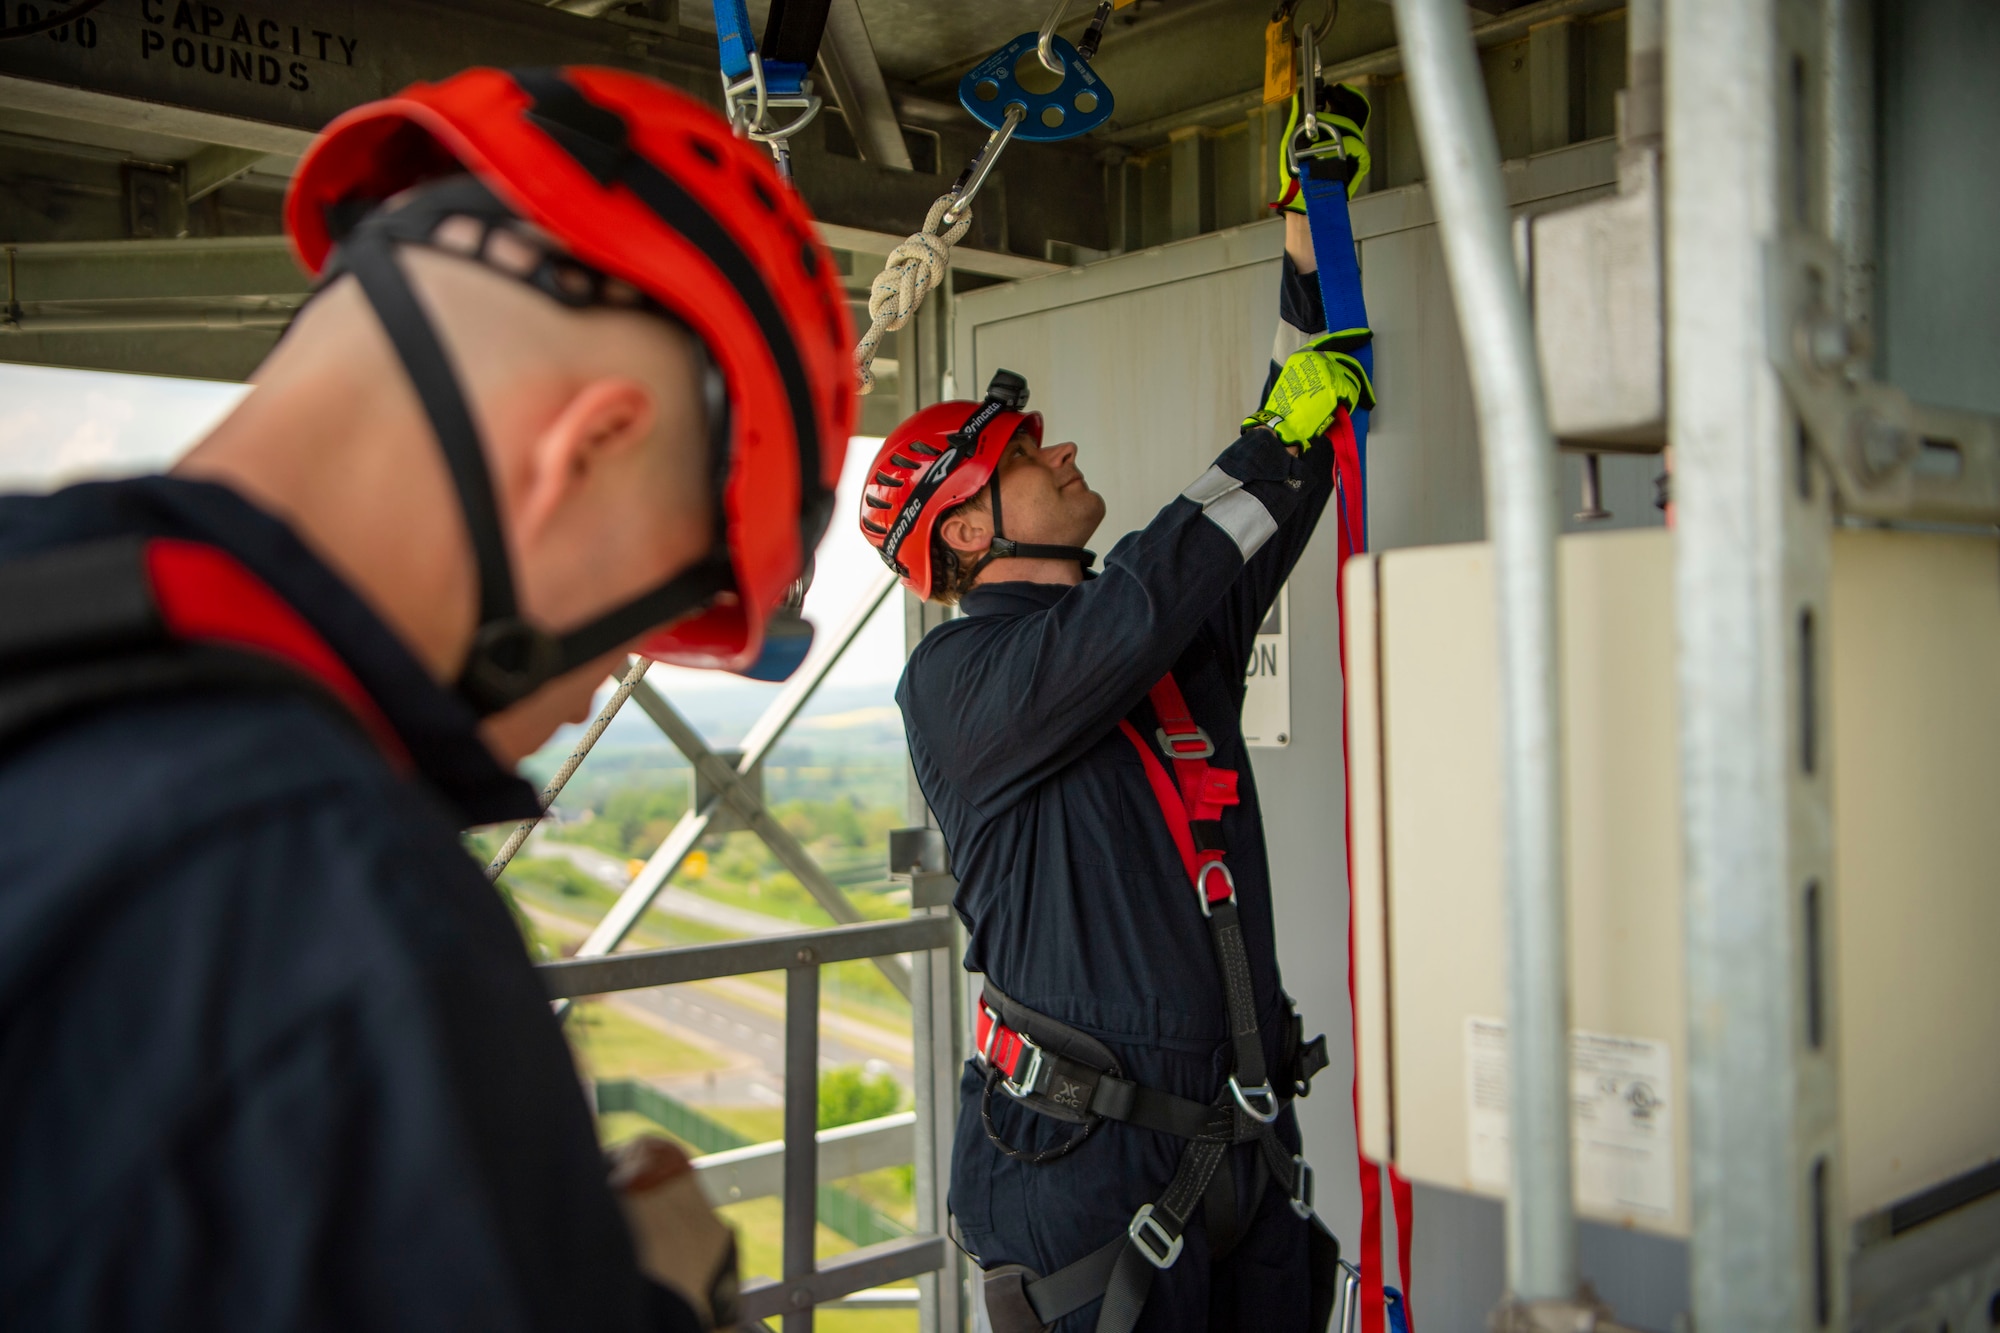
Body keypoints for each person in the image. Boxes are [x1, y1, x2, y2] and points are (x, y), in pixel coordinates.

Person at [0, 67, 852, 1331]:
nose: (601, 682)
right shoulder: (337, 915)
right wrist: (655, 1293)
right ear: (587, 448)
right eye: (654, 611)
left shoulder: (45, 628)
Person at [859, 88, 1377, 1333]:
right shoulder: (959, 685)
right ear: (968, 529)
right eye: (1027, 454)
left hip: (1236, 1154)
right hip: (1079, 1177)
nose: (1064, 453)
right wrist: (1265, 432)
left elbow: (1285, 474)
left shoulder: (1149, 635)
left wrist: (1313, 237)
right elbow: (1153, 588)